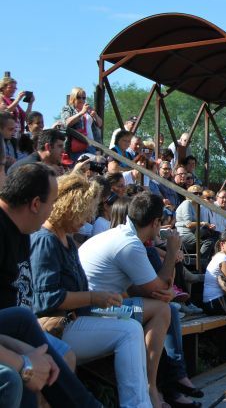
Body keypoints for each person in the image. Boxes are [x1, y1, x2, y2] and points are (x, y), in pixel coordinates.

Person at [29, 172, 151, 408]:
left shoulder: (65, 238)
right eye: (84, 211)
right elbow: (44, 299)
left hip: (80, 316)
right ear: (68, 207)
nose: (87, 219)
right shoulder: (46, 240)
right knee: (129, 330)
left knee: (134, 318)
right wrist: (95, 296)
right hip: (59, 326)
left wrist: (104, 299)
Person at [79, 192, 200, 407]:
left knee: (167, 308)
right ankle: (151, 387)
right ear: (155, 223)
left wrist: (164, 291)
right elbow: (162, 288)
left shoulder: (120, 235)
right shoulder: (130, 245)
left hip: (97, 306)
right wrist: (172, 251)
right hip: (94, 312)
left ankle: (168, 381)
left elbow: (150, 290)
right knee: (164, 310)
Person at [0, 163, 102, 407]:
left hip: (13, 330)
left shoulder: (22, 231)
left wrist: (26, 354)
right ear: (35, 204)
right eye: (52, 202)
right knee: (22, 368)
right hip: (16, 329)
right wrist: (21, 361)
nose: (53, 210)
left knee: (38, 347)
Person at [60, 87, 102, 159]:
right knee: (79, 167)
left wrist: (95, 115)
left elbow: (100, 124)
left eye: (84, 98)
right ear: (73, 98)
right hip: (76, 146)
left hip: (91, 145)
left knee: (92, 168)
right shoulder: (68, 108)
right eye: (79, 97)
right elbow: (66, 123)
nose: (81, 100)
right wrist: (82, 113)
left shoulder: (88, 109)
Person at [0, 73, 34, 141]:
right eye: (10, 87)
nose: (13, 90)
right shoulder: (1, 98)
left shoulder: (12, 101)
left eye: (15, 88)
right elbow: (5, 112)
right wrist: (18, 99)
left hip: (17, 135)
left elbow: (26, 117)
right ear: (3, 87)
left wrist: (30, 103)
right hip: (6, 134)